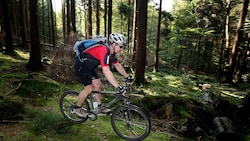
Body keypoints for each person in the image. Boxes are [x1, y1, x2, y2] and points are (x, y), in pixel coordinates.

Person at [73, 33, 130, 118]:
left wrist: (127, 77)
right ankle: (77, 108)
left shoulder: (111, 53)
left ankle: (99, 107)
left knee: (98, 84)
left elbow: (117, 65)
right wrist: (118, 87)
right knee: (89, 88)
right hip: (81, 66)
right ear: (114, 44)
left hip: (89, 66)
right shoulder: (103, 50)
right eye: (121, 47)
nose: (122, 49)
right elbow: (106, 71)